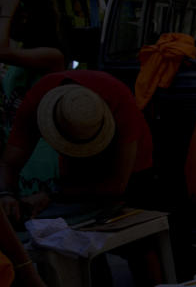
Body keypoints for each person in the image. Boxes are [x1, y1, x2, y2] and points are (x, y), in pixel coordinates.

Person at [0, 70, 153, 222]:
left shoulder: (122, 105)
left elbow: (117, 185)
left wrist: (52, 194)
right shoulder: (37, 99)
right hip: (75, 170)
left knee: (124, 219)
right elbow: (9, 163)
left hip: (130, 168)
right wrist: (7, 194)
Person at [0, 0, 65, 203]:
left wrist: (7, 12)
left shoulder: (52, 55)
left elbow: (2, 52)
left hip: (43, 154)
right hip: (18, 154)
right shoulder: (22, 56)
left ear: (26, 17)